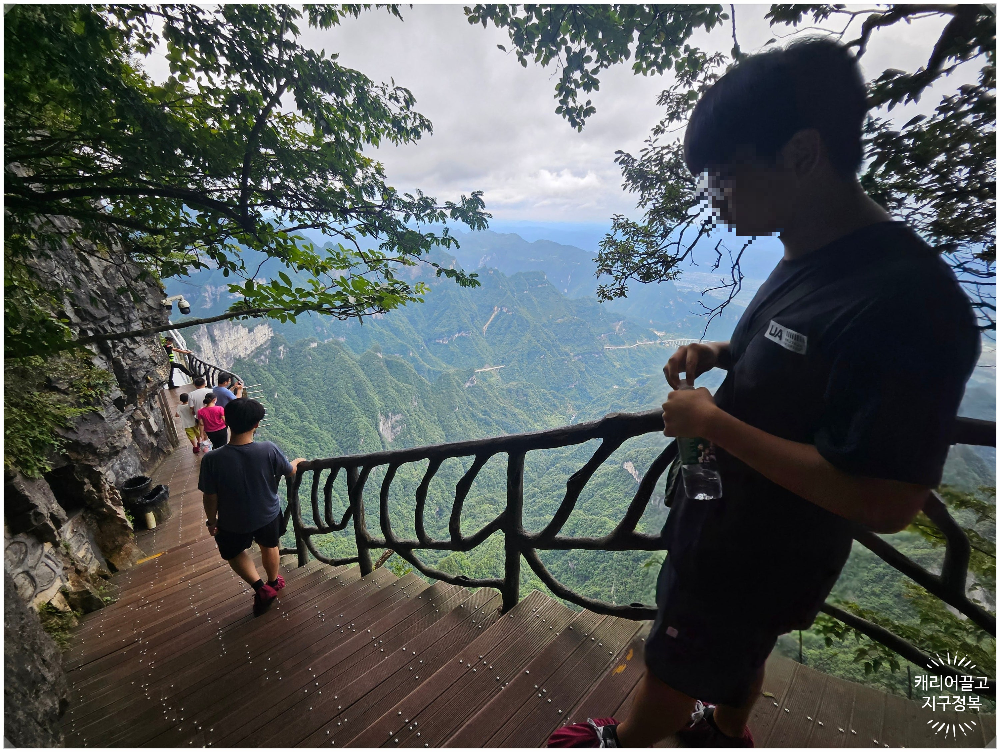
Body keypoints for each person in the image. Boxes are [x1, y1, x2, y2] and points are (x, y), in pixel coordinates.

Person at [549, 38, 978, 749]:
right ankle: (723, 731)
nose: (716, 196)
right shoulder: (809, 253)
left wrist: (713, 424)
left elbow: (887, 499)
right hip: (740, 537)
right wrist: (720, 352)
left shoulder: (909, 300)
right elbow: (797, 358)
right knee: (741, 652)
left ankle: (620, 743)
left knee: (673, 662)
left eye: (726, 174)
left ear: (802, 153)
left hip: (755, 554)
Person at [198, 398, 306, 616]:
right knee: (270, 545)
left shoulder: (211, 459)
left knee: (233, 552)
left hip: (232, 520)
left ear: (226, 422)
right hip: (268, 513)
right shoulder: (268, 449)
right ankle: (273, 582)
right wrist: (296, 462)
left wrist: (212, 521)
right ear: (256, 424)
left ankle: (260, 588)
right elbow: (289, 471)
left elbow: (210, 496)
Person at [187, 376, 213, 443]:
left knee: (203, 427)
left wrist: (193, 410)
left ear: (195, 385)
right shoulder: (211, 391)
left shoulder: (191, 394)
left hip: (199, 414)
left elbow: (191, 406)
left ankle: (206, 442)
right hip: (211, 412)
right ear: (205, 384)